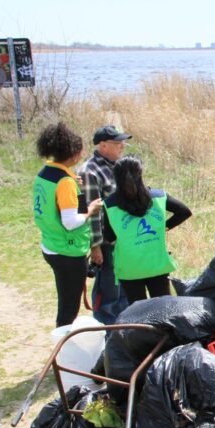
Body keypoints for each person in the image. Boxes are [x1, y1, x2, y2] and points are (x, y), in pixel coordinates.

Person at [32, 122, 103, 328]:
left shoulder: (44, 173)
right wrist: (91, 209)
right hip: (68, 251)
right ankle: (62, 344)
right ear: (73, 155)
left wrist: (73, 185)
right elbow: (71, 222)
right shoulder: (65, 182)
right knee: (68, 309)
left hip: (51, 245)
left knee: (65, 301)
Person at [101, 156, 190, 304]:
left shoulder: (110, 204)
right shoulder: (158, 197)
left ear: (116, 177)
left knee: (138, 311)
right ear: (140, 174)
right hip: (158, 264)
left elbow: (109, 236)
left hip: (129, 268)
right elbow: (184, 212)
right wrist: (164, 227)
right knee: (164, 309)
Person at [79, 125, 132, 325]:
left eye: (122, 142)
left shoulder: (116, 167)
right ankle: (106, 330)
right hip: (105, 242)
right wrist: (95, 246)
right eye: (117, 143)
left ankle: (123, 327)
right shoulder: (89, 172)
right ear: (103, 146)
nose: (122, 146)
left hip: (122, 240)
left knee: (123, 288)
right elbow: (90, 213)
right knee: (109, 291)